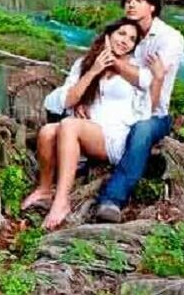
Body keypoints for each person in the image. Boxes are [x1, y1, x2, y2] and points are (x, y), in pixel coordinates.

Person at [21, 18, 155, 230]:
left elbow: (147, 106)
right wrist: (94, 70)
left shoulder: (137, 70)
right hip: (87, 131)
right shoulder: (84, 63)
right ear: (108, 35)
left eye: (132, 39)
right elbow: (64, 101)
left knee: (69, 125)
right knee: (47, 132)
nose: (125, 41)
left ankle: (62, 201)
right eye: (121, 34)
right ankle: (45, 189)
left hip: (115, 137)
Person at [94, 0, 184, 223]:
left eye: (138, 0)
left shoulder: (170, 38)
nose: (131, 5)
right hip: (119, 109)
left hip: (153, 113)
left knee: (142, 129)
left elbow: (150, 81)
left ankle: (112, 199)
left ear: (152, 6)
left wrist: (116, 62)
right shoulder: (127, 33)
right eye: (128, 0)